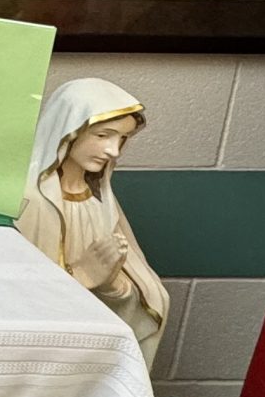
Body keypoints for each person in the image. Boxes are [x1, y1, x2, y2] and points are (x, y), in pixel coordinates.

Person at [15, 77, 169, 368]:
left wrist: (114, 287)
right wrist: (82, 275)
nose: (114, 150)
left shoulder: (102, 202)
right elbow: (11, 300)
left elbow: (146, 297)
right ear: (66, 132)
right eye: (103, 135)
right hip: (41, 361)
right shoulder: (28, 201)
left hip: (90, 354)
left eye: (122, 139)